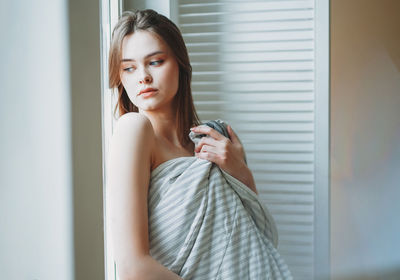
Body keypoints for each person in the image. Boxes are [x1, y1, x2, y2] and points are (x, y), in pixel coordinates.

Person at [107, 9, 292, 280]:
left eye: (155, 62)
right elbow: (132, 268)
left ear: (180, 64)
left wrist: (240, 171)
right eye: (129, 68)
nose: (143, 77)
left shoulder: (215, 139)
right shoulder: (134, 129)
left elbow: (260, 238)